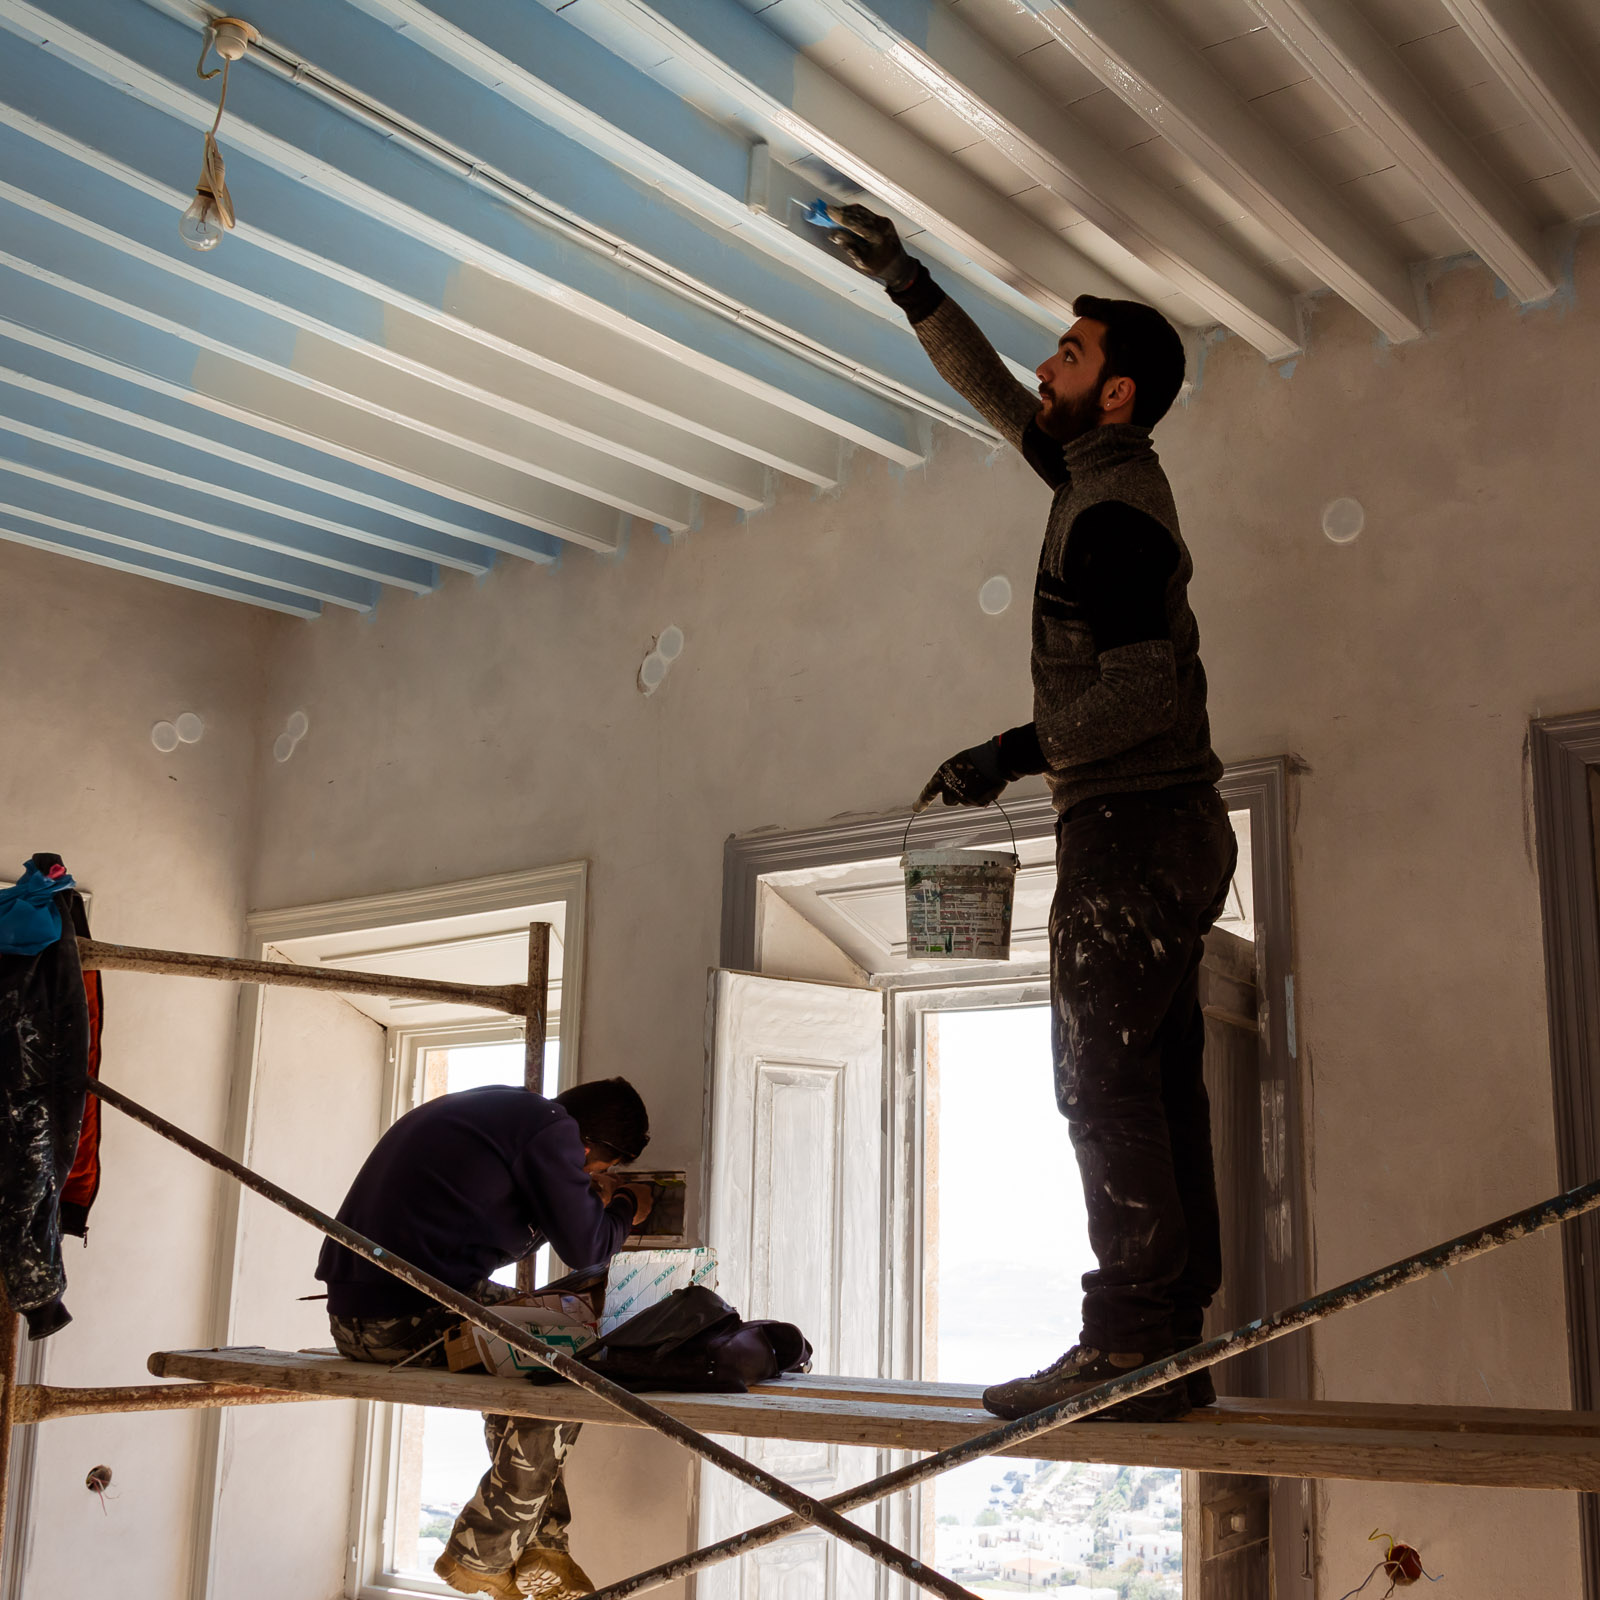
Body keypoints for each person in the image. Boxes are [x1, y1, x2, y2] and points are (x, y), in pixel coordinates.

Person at [828, 206, 1236, 1424]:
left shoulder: (1112, 517)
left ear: (1115, 394)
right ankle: (1167, 1343)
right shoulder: (1089, 474)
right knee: (1152, 1086)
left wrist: (1003, 753)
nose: (1044, 366)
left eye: (1068, 352)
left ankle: (1125, 1345)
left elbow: (1142, 693)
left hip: (1133, 827)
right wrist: (907, 282)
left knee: (1099, 1086)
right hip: (1164, 829)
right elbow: (995, 396)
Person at [317, 1078, 656, 1599]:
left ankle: (541, 1546)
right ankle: (484, 1553)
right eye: (599, 1168)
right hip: (405, 1315)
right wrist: (627, 1205)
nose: (590, 1174)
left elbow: (500, 1217)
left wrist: (580, 1195)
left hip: (362, 1315)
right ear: (590, 1146)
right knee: (573, 1354)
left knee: (529, 1350)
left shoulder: (505, 1112)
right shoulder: (552, 1130)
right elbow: (587, 1247)